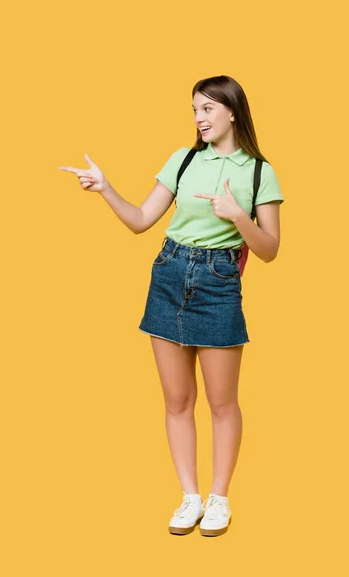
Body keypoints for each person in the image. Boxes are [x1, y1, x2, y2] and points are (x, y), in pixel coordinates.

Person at [58, 75, 284, 537]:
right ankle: (190, 497)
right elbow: (141, 220)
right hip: (168, 273)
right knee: (177, 401)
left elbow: (270, 249)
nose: (199, 118)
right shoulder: (182, 161)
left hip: (218, 283)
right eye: (195, 111)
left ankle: (220, 498)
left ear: (232, 112)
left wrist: (238, 215)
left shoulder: (260, 171)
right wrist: (105, 188)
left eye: (207, 109)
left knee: (223, 403)